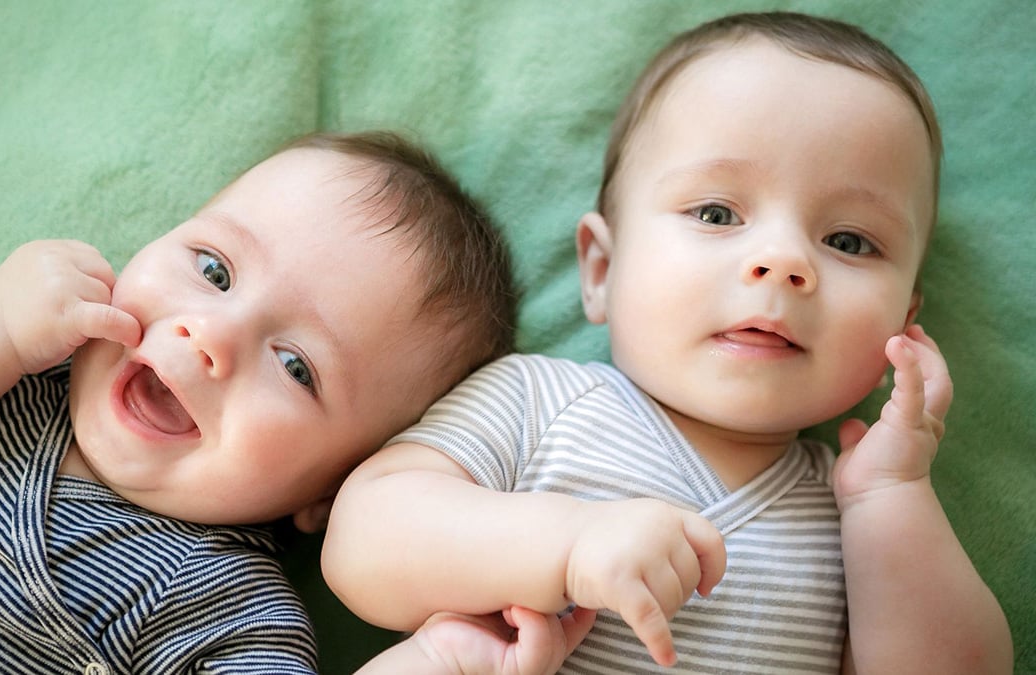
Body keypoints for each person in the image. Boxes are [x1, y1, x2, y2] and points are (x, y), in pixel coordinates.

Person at [322, 12, 1012, 674]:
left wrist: (891, 496)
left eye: (849, 241)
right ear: (601, 269)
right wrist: (566, 545)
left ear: (906, 321)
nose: (782, 260)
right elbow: (364, 541)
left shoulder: (852, 513)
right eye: (717, 212)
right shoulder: (539, 398)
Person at [0, 129, 580, 674]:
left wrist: (438, 662)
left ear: (331, 490)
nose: (211, 336)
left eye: (295, 366)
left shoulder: (231, 612)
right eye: (215, 270)